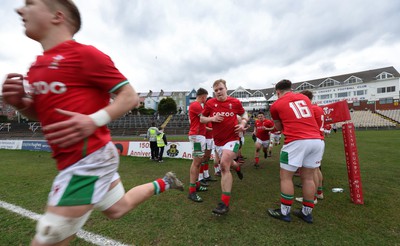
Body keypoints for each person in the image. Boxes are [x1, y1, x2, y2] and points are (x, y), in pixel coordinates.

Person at [2, 1, 184, 245]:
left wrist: (92, 121)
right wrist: (21, 105)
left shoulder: (85, 55)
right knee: (119, 208)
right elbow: (42, 114)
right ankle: (166, 181)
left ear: (57, 16)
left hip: (88, 161)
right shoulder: (35, 68)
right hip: (75, 161)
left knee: (48, 237)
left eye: (30, 3)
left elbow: (129, 96)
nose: (20, 10)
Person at [267, 80, 324, 224]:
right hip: (317, 140)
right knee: (309, 178)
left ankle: (285, 212)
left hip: (296, 141)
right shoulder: (304, 98)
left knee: (286, 177)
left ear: (277, 92)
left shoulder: (275, 105)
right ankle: (306, 213)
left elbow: (279, 128)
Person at [201, 79, 249, 215]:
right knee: (227, 163)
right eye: (216, 90)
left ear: (226, 88)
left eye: (220, 89)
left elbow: (244, 113)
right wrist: (212, 119)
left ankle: (224, 203)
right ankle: (237, 167)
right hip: (218, 142)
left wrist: (243, 123)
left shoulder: (234, 102)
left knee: (223, 165)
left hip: (233, 139)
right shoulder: (210, 103)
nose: (218, 92)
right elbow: (201, 119)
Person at [295, 90, 326, 204]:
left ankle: (312, 197)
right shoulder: (318, 108)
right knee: (316, 169)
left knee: (310, 172)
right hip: (319, 140)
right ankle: (319, 192)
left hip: (312, 139)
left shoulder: (310, 109)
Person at [187, 88, 209, 202]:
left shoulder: (197, 105)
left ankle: (196, 185)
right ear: (203, 96)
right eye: (206, 97)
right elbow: (203, 119)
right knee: (196, 163)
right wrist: (214, 118)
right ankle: (192, 191)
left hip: (199, 136)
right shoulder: (196, 105)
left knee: (199, 161)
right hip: (196, 136)